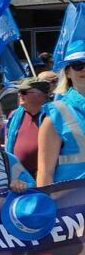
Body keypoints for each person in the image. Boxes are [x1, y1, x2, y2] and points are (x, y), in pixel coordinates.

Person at [38, 40, 85, 185]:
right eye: (78, 65)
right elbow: (45, 173)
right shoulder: (57, 113)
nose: (84, 69)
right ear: (68, 72)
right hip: (74, 204)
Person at [5, 77, 51, 178]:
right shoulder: (14, 115)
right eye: (19, 91)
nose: (19, 94)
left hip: (46, 176)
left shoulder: (52, 115)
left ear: (40, 95)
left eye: (24, 92)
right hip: (18, 178)